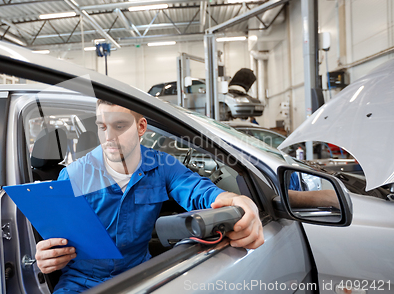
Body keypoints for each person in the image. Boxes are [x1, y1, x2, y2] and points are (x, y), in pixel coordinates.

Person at [35, 100, 265, 293]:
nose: (109, 137)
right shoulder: (73, 175)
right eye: (102, 126)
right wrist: (48, 257)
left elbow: (201, 191)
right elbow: (59, 238)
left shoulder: (162, 167)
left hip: (142, 277)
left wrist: (240, 202)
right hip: (82, 283)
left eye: (120, 126)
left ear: (141, 127)